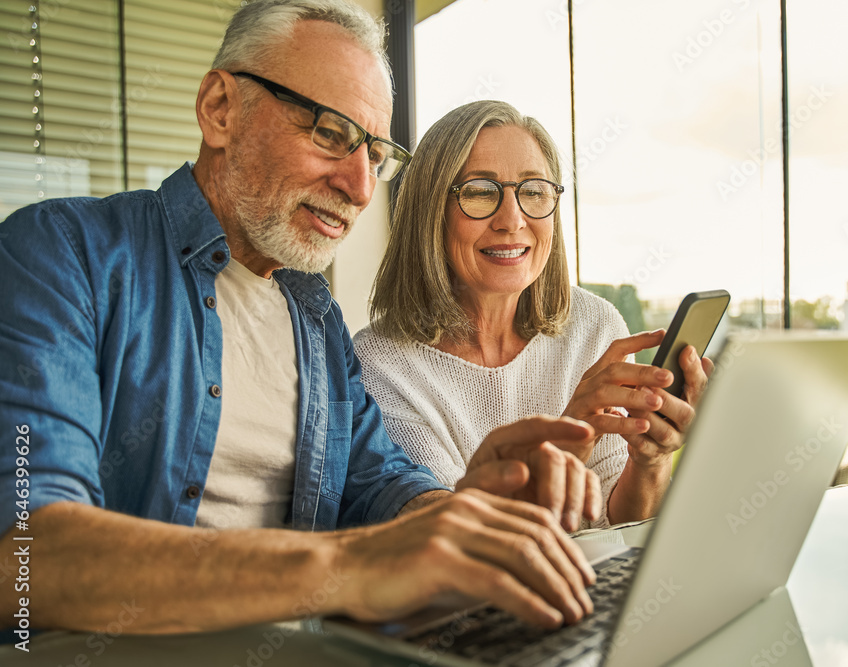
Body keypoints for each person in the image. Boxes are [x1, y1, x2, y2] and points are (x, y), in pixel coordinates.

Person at [0, 0, 603, 637]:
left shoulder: (313, 318)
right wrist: (352, 566)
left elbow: (379, 481)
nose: (361, 187)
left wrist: (463, 510)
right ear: (220, 110)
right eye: (330, 134)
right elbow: (28, 560)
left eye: (374, 153)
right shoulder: (61, 254)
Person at [354, 100, 713, 530]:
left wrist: (651, 460)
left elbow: (618, 526)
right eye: (481, 191)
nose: (512, 219)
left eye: (534, 190)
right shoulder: (378, 365)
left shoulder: (595, 326)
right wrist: (569, 441)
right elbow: (455, 545)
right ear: (430, 211)